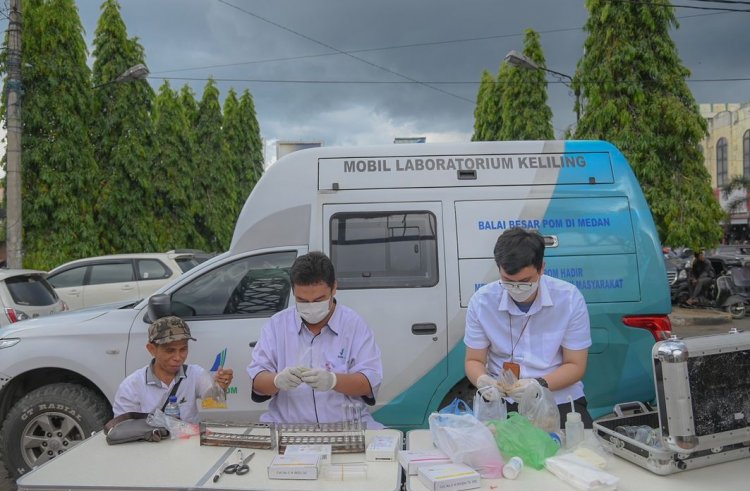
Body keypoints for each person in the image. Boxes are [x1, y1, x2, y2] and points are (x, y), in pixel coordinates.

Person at [464, 227, 594, 427]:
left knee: (572, 451)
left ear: (542, 268)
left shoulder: (568, 299)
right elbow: (474, 360)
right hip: (503, 402)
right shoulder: (482, 302)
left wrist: (538, 385)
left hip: (557, 399)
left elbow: (576, 365)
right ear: (499, 269)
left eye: (525, 281)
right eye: (508, 281)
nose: (516, 288)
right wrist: (483, 381)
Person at [247, 251, 384, 428]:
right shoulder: (276, 326)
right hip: (288, 429)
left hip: (346, 427)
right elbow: (257, 381)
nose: (311, 306)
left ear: (334, 288)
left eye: (319, 299)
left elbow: (369, 382)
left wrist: (334, 381)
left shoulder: (353, 325)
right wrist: (277, 381)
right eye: (302, 300)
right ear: (293, 291)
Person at [113, 316, 234, 423]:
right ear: (151, 349)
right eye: (170, 351)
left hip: (188, 444)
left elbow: (214, 402)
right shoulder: (131, 386)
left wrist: (221, 387)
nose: (178, 358)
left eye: (183, 349)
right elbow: (124, 428)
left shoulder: (196, 374)